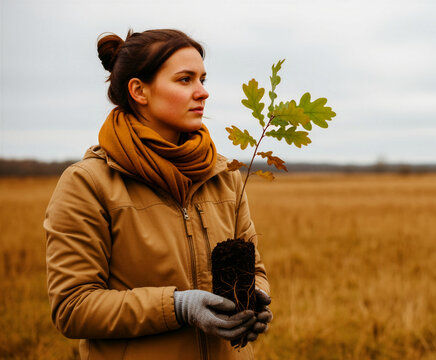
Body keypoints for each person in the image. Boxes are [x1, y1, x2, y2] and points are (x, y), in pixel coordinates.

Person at [44, 29, 272, 360]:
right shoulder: (88, 183)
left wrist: (258, 297)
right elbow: (73, 306)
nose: (203, 92)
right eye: (185, 80)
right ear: (139, 90)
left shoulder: (224, 175)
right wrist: (178, 307)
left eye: (203, 79)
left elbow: (257, 268)